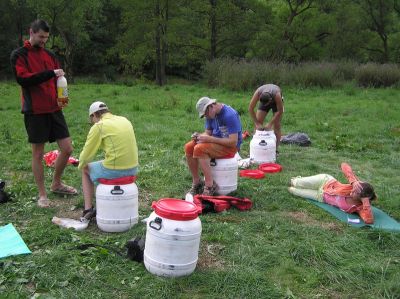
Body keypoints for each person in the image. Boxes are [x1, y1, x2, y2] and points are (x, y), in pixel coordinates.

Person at [10, 19, 77, 208]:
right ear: (30, 32)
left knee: (67, 148)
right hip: (35, 111)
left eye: (46, 38)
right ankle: (42, 195)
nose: (43, 41)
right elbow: (23, 79)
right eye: (41, 37)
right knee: (38, 153)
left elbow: (57, 79)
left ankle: (56, 183)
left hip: (54, 109)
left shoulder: (50, 54)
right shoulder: (19, 55)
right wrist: (51, 73)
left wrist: (62, 93)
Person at [78, 101, 139, 222]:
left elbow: (86, 154)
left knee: (85, 169)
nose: (93, 123)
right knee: (104, 162)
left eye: (92, 120)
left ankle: (88, 209)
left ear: (93, 115)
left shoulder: (99, 126)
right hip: (134, 168)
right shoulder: (124, 120)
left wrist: (80, 164)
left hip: (116, 170)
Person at [184, 97, 242, 196]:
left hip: (230, 147)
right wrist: (199, 137)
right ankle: (197, 182)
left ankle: (210, 186)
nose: (206, 116)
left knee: (199, 149)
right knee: (189, 146)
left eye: (205, 114)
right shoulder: (210, 115)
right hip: (216, 142)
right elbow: (208, 133)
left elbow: (233, 142)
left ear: (211, 106)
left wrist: (209, 139)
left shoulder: (229, 115)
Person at [288, 162, 377, 224]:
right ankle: (296, 180)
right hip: (325, 182)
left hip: (321, 197)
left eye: (355, 192)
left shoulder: (359, 207)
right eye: (353, 189)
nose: (352, 190)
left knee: (293, 191)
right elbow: (344, 165)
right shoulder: (354, 185)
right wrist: (354, 181)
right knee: (295, 183)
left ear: (361, 198)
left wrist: (365, 201)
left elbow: (369, 220)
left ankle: (295, 186)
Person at [248, 84, 284, 153]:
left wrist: (270, 123)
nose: (264, 105)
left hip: (276, 102)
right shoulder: (258, 93)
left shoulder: (277, 95)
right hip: (265, 98)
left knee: (277, 125)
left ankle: (275, 150)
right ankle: (256, 147)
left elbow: (280, 111)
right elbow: (250, 109)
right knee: (258, 122)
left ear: (270, 100)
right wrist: (257, 123)